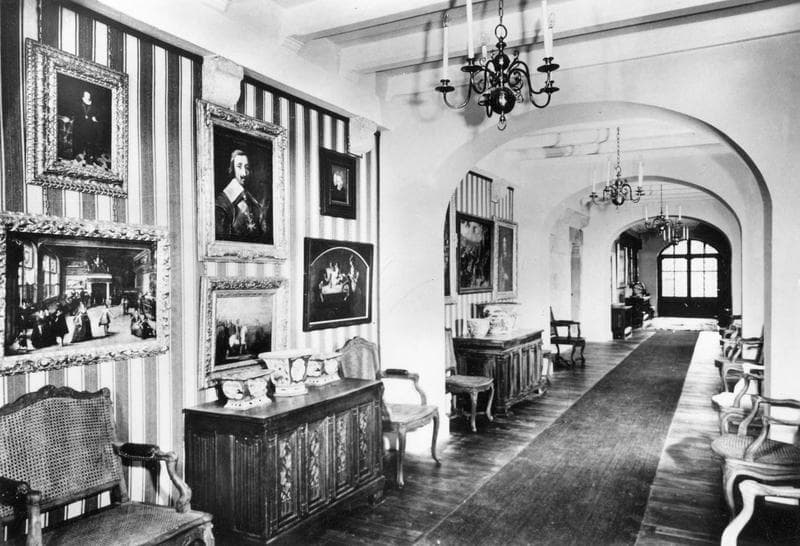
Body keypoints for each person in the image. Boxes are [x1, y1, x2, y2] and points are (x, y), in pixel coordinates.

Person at [215, 150, 271, 241]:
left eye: (247, 167)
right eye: (239, 167)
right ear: (232, 169)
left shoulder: (252, 201)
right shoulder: (222, 204)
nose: (244, 173)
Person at [72, 90, 102, 163]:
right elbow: (74, 112)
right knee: (78, 141)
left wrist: (95, 118)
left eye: (88, 95)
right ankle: (77, 157)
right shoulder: (78, 103)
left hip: (89, 126)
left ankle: (87, 157)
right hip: (79, 125)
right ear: (83, 96)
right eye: (86, 95)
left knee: (88, 142)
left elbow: (99, 114)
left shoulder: (94, 105)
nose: (87, 96)